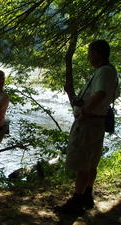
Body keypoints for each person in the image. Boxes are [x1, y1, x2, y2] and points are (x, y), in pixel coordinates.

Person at [58, 40, 119, 214]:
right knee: (91, 161)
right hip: (97, 121)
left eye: (90, 53)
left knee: (82, 163)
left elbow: (100, 94)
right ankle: (87, 195)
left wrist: (84, 111)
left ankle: (76, 200)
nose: (88, 57)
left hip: (89, 122)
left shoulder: (103, 72)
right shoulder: (111, 72)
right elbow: (111, 95)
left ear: (97, 53)